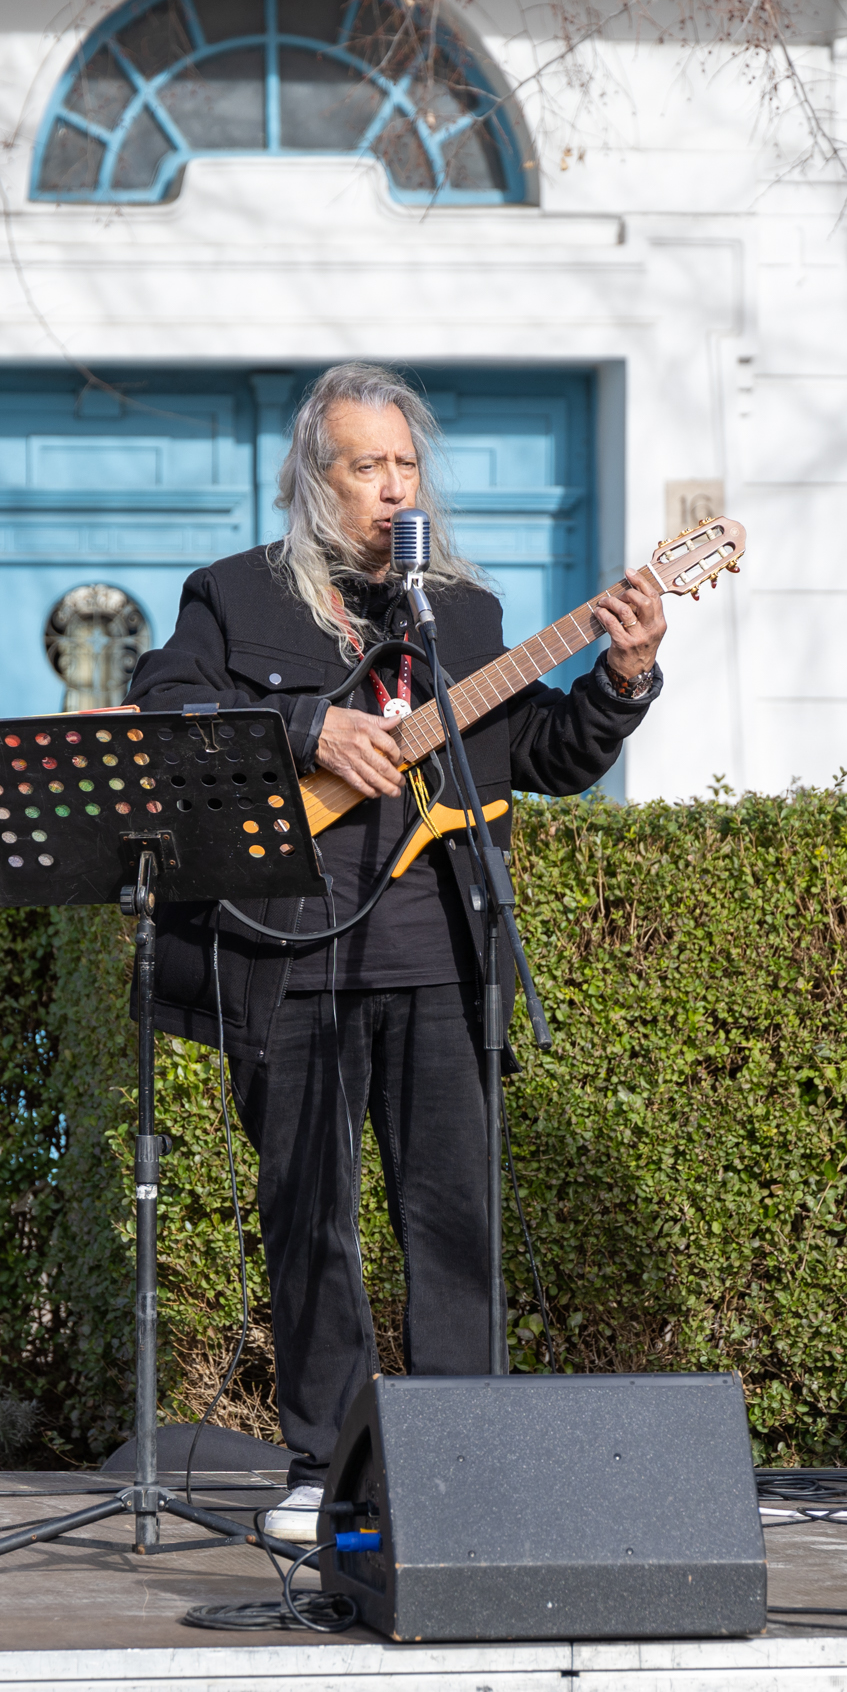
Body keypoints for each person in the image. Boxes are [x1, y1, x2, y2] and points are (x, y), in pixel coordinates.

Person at [126, 362, 668, 1544]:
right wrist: (307, 727)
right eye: (365, 465)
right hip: (288, 955)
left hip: (442, 962)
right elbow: (164, 717)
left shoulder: (462, 617)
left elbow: (548, 756)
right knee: (308, 1221)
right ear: (313, 481)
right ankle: (322, 1464)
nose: (391, 487)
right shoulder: (232, 597)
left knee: (453, 1222)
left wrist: (623, 677)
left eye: (405, 465)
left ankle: (462, 1465)